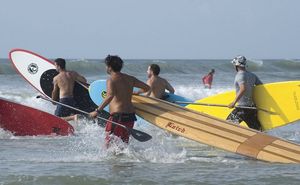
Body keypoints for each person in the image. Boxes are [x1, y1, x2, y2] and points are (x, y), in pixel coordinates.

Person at [89, 55, 150, 147]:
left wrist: (97, 111)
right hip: (130, 117)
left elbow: (110, 96)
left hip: (118, 117)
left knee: (108, 144)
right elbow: (147, 88)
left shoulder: (111, 80)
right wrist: (137, 93)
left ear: (109, 67)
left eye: (106, 66)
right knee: (123, 144)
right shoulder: (130, 78)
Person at [226, 55, 262, 131]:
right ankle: (263, 141)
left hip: (242, 109)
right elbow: (261, 87)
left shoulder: (239, 75)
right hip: (252, 108)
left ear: (236, 65)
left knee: (228, 126)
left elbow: (243, 89)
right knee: (257, 130)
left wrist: (234, 102)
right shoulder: (252, 75)